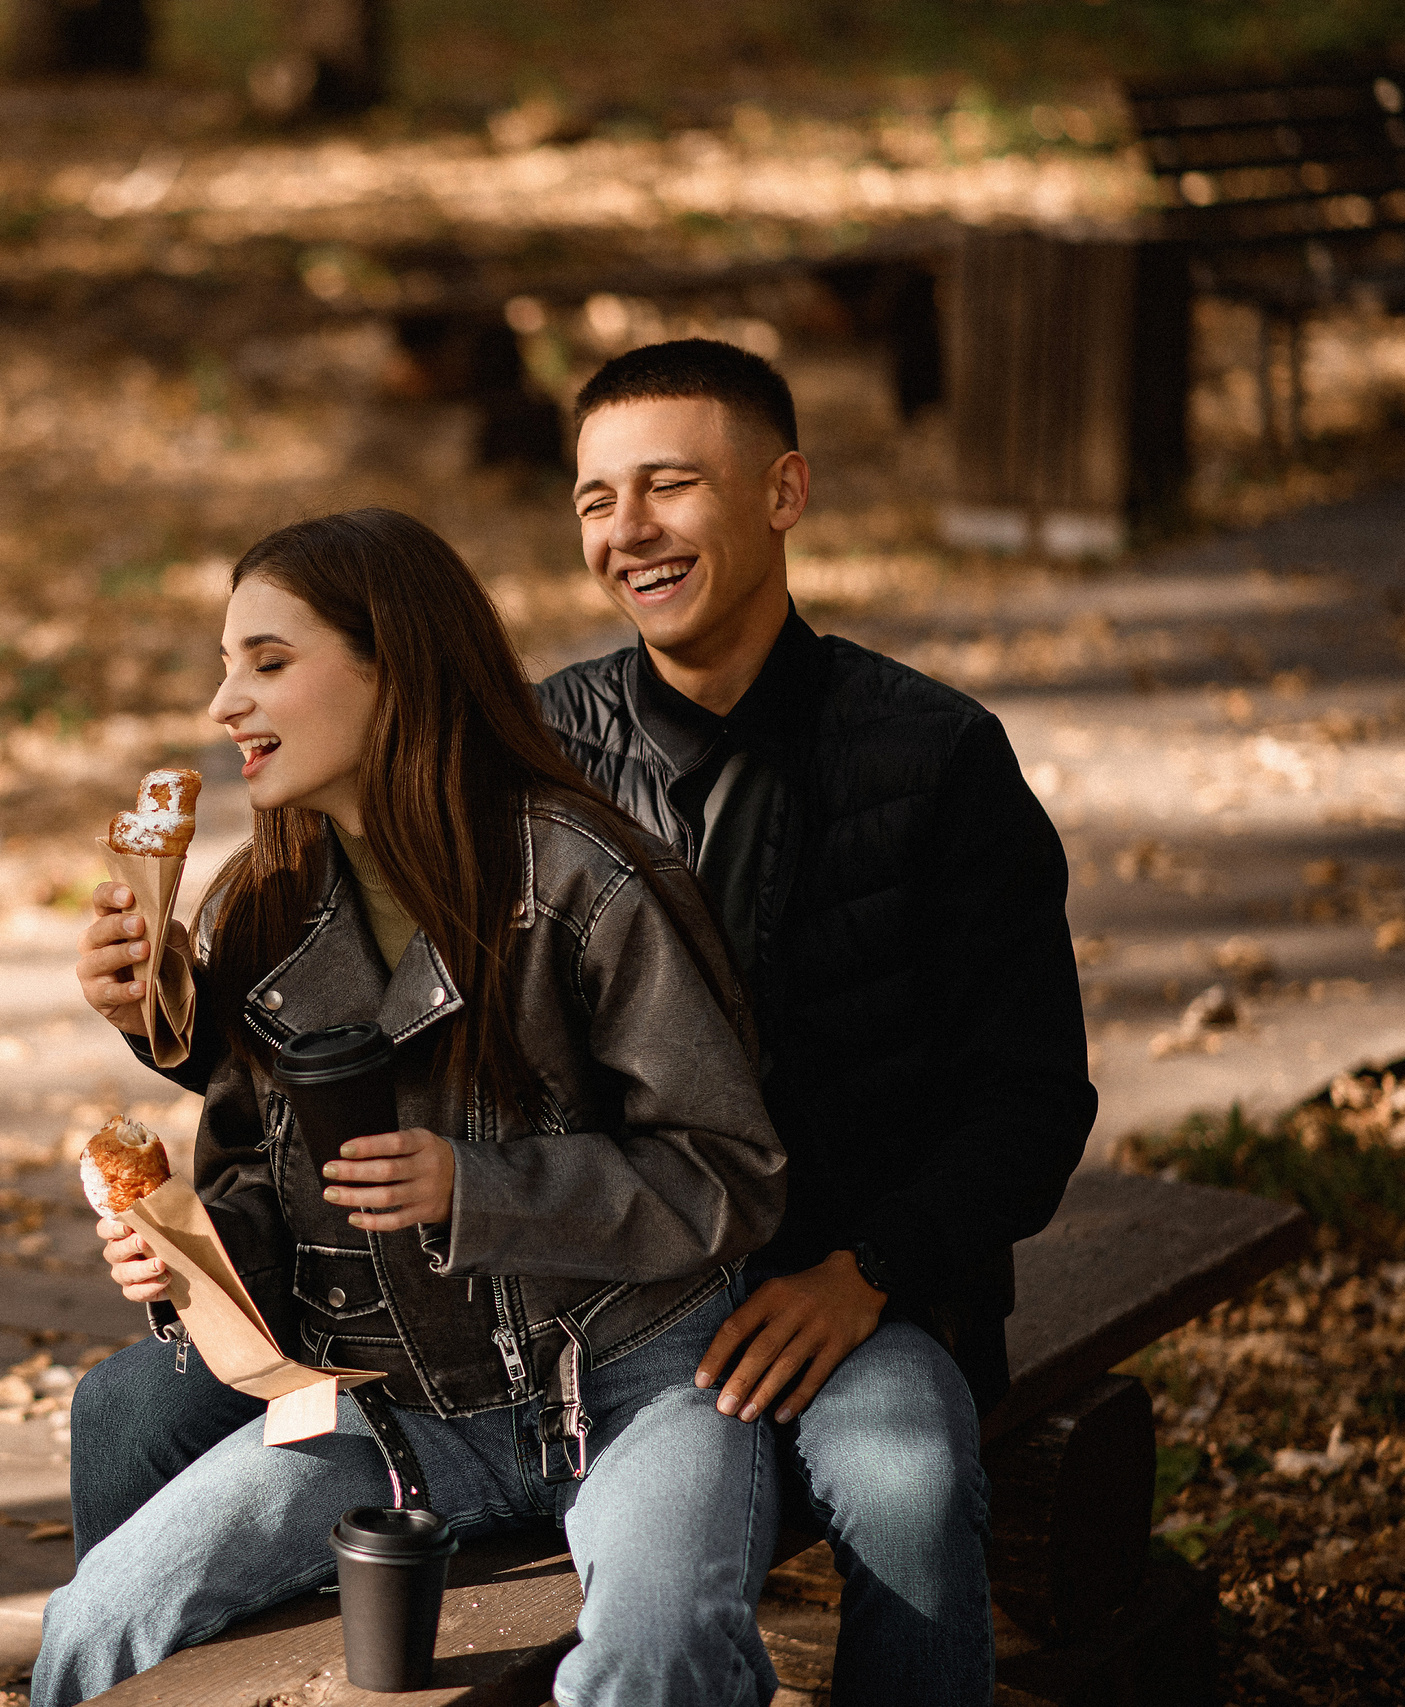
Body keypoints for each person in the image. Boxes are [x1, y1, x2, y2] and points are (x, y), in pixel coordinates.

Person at [73, 341, 1097, 1706]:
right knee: (129, 1406)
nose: (628, 528)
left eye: (668, 485)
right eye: (596, 498)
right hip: (541, 1292)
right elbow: (373, 1004)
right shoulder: (543, 740)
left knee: (904, 1470)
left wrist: (870, 1264)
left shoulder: (934, 757)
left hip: (834, 1269)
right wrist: (172, 1018)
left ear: (784, 490)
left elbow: (1031, 1098)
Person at [34, 508, 788, 1707]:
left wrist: (475, 1188)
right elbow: (257, 1187)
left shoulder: (587, 883)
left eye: (268, 664)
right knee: (95, 1622)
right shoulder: (256, 909)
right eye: (226, 666)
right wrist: (184, 1254)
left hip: (641, 1394)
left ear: (399, 668)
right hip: (396, 1414)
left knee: (651, 1660)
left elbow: (729, 1170)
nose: (225, 705)